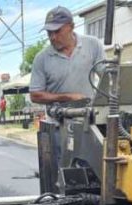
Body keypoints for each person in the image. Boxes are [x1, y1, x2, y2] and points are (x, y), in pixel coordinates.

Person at [29, 6, 105, 180]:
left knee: (91, 175)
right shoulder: (42, 58)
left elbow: (106, 76)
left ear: (71, 26)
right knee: (60, 177)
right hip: (57, 126)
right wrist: (68, 97)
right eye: (49, 33)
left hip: (87, 125)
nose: (52, 37)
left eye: (57, 31)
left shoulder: (92, 45)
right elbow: (35, 94)